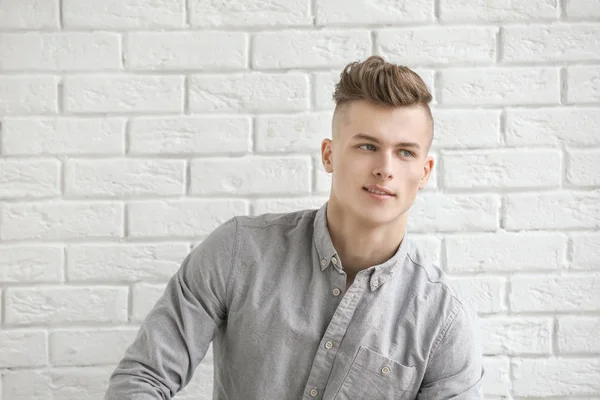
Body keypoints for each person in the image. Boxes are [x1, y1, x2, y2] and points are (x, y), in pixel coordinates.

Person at [105, 55, 484, 400]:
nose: (385, 168)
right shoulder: (238, 252)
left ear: (424, 172)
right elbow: (143, 378)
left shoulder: (442, 320)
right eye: (367, 146)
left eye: (405, 152)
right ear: (329, 155)